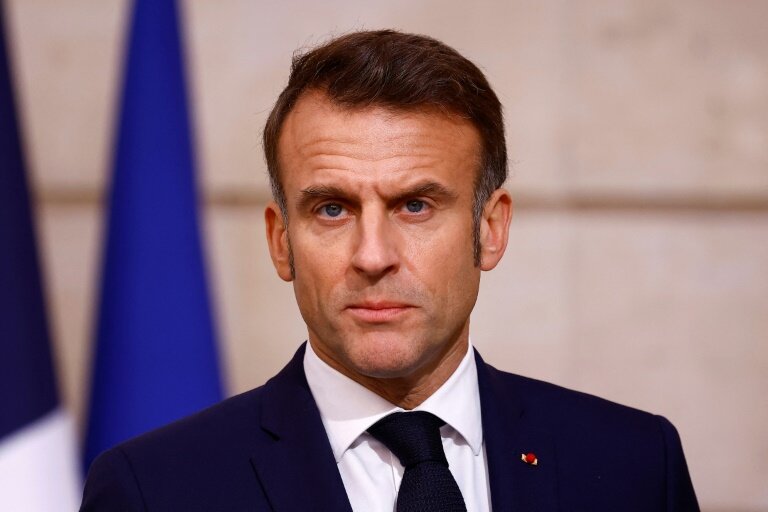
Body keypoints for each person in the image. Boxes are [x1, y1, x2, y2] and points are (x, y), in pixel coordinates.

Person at [80, 30, 699, 511]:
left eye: (414, 205)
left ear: (491, 228)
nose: (373, 255)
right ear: (280, 241)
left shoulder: (634, 465)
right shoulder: (154, 492)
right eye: (331, 208)